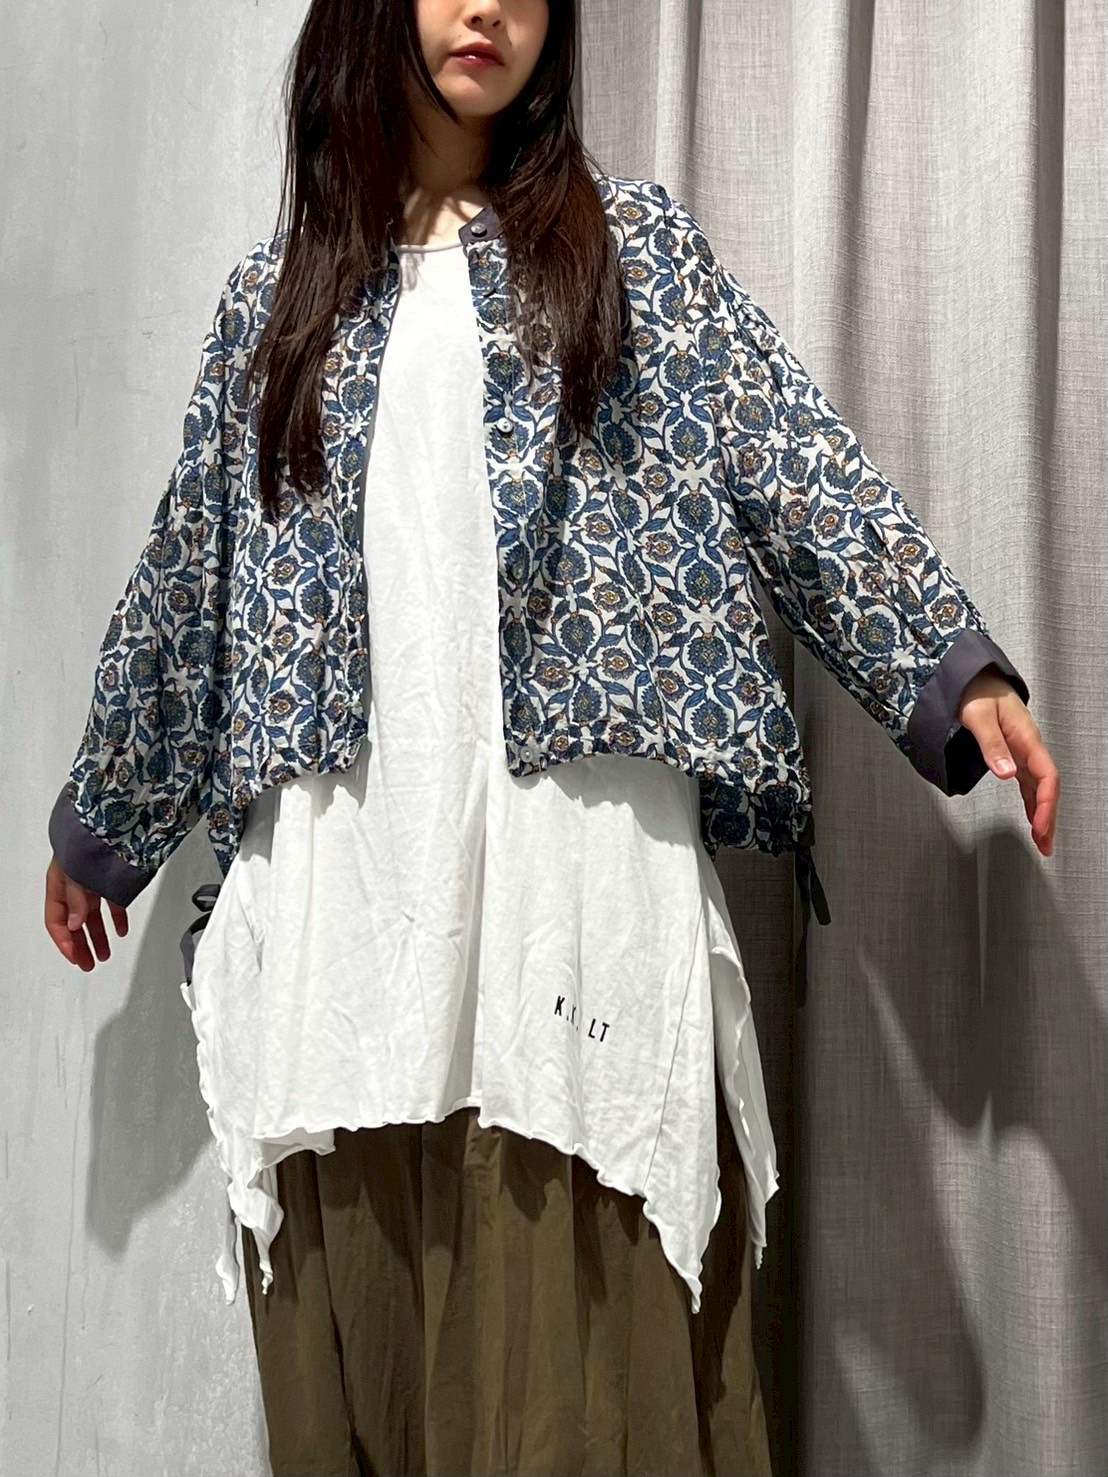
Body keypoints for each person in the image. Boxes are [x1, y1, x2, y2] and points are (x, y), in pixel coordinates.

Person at [44, 1, 1060, 1473]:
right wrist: (104, 825)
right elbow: (185, 580)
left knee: (586, 1393)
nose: (491, 9)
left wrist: (949, 666)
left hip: (571, 918)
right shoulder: (275, 308)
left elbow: (788, 456)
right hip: (346, 937)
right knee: (372, 1371)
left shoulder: (632, 256)